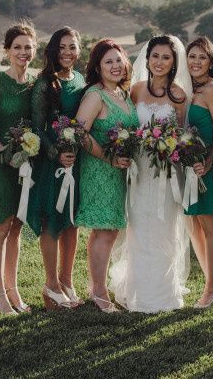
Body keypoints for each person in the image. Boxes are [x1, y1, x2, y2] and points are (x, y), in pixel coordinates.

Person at [110, 35, 193, 313]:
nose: (159, 62)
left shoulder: (179, 96)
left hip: (166, 173)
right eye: (155, 56)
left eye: (166, 58)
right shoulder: (135, 91)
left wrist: (170, 147)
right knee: (138, 227)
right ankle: (137, 292)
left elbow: (182, 136)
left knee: (164, 228)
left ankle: (162, 295)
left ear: (173, 63)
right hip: (139, 170)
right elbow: (127, 126)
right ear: (147, 59)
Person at [75, 39, 139, 313]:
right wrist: (107, 157)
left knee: (111, 229)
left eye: (118, 60)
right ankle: (99, 292)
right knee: (104, 230)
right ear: (98, 68)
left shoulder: (123, 94)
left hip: (120, 171)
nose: (115, 66)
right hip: (100, 169)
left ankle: (96, 287)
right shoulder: (95, 95)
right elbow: (79, 132)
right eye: (108, 62)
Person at [27, 27, 85, 310]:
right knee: (52, 220)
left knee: (71, 222)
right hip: (51, 163)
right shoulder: (43, 84)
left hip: (76, 161)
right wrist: (55, 154)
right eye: (61, 47)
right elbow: (37, 127)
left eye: (72, 47)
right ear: (52, 49)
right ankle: (50, 285)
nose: (67, 53)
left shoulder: (81, 80)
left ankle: (67, 280)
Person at [0, 22, 36, 314]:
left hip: (25, 164)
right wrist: (1, 148)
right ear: (6, 51)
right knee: (2, 225)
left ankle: (13, 291)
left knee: (16, 226)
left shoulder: (34, 83)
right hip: (1, 164)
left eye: (28, 47)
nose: (23, 52)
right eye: (17, 47)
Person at [184, 36, 213, 308]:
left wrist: (209, 163)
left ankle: (212, 287)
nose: (196, 62)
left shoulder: (211, 89)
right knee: (195, 226)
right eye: (192, 56)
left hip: (206, 168)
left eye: (202, 57)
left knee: (210, 227)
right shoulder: (188, 88)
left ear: (211, 61)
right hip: (189, 169)